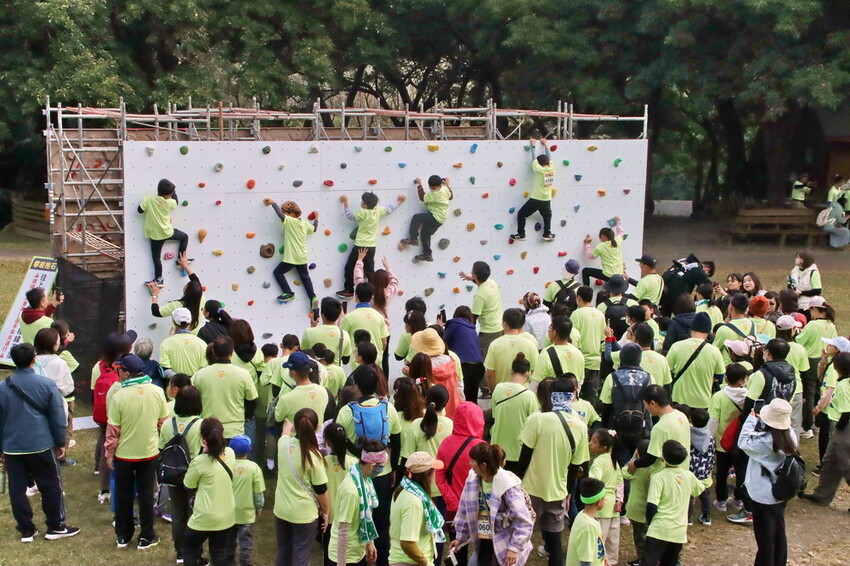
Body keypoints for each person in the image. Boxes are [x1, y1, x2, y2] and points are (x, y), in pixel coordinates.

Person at [0, 343, 79, 542]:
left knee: (16, 489)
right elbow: (57, 416)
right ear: (33, 359)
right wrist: (61, 442)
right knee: (51, 484)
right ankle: (56, 526)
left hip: (12, 446)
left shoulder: (3, 387)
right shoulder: (46, 384)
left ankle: (26, 529)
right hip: (41, 444)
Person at [516, 377, 590, 566]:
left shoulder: (537, 419)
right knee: (555, 540)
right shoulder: (581, 427)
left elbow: (524, 457)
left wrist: (516, 482)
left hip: (531, 489)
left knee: (519, 538)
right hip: (558, 491)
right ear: (572, 394)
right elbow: (575, 467)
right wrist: (568, 492)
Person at [336, 366, 402, 566]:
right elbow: (396, 442)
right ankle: (382, 560)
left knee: (356, 522)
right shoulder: (388, 408)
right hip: (382, 472)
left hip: (356, 474)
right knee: (381, 523)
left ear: (355, 386)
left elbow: (340, 442)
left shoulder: (346, 411)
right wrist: (393, 468)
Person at [105, 353, 169, 549]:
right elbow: (163, 423)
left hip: (124, 454)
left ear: (126, 373)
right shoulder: (157, 392)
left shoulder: (119, 396)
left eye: (119, 370)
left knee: (124, 495)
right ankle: (146, 536)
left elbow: (113, 431)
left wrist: (109, 454)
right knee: (146, 494)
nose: (118, 373)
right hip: (149, 452)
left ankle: (123, 535)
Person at [451, 442, 534, 566]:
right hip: (484, 538)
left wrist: (514, 548)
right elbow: (464, 509)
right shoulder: (472, 479)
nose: (470, 464)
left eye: (473, 461)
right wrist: (460, 537)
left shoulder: (508, 486)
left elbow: (524, 521)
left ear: (483, 465)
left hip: (505, 541)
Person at [737, 398, 798, 566]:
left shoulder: (764, 442)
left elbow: (742, 442)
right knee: (778, 532)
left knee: (765, 539)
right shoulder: (790, 436)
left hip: (763, 494)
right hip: (781, 490)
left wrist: (752, 419)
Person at [275, 408, 330, 566]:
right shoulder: (314, 456)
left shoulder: (283, 444)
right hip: (304, 514)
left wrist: (288, 426)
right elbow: (321, 490)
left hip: (282, 510)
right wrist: (325, 512)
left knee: (283, 553)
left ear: (296, 427)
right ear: (316, 427)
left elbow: (284, 434)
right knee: (301, 556)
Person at [181, 417, 238, 566]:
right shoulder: (231, 454)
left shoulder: (199, 462)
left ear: (202, 438)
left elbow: (188, 484)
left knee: (188, 548)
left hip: (203, 517)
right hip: (226, 517)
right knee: (219, 554)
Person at [434, 401, 485, 565]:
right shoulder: (482, 447)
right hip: (479, 510)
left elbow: (439, 475)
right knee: (484, 548)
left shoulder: (446, 443)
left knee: (457, 547)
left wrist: (451, 500)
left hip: (453, 510)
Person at [644, 440, 709, 566]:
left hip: (659, 529)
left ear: (662, 458)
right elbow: (700, 489)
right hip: (678, 532)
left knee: (648, 562)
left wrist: (650, 522)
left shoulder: (658, 477)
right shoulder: (689, 476)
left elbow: (652, 506)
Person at [157, 384, 203, 563]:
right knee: (194, 514)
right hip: (194, 474)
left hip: (173, 475)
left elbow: (162, 448)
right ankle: (194, 552)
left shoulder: (168, 423)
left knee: (178, 514)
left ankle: (180, 552)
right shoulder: (200, 424)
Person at [328, 440, 388, 566]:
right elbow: (343, 530)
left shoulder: (364, 479)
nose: (382, 470)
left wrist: (370, 543)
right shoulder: (351, 491)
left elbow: (367, 514)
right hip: (346, 557)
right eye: (382, 466)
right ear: (372, 465)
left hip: (357, 552)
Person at [802, 352, 850, 506]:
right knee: (830, 462)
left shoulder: (843, 386)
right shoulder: (845, 382)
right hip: (841, 426)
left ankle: (822, 495)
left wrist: (838, 430)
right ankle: (822, 495)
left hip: (843, 428)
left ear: (837, 367)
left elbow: (846, 412)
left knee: (845, 464)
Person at [337, 191, 406, 299]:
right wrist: (399, 201)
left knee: (350, 267)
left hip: (360, 245)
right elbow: (389, 209)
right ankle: (375, 290)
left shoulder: (362, 213)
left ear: (365, 204)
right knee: (369, 270)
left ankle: (349, 290)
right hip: (371, 246)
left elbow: (349, 216)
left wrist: (345, 202)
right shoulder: (378, 211)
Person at [192, 336, 259, 439]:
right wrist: (247, 417)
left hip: (209, 429)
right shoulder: (243, 374)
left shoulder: (199, 375)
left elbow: (192, 400)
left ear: (213, 351)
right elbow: (252, 401)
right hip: (235, 430)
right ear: (232, 352)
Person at [388, 451, 445, 566]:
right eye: (433, 470)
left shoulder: (403, 489)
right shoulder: (414, 502)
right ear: (428, 474)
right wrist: (424, 562)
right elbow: (407, 543)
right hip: (410, 562)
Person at [793, 296, 837, 437]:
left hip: (811, 361)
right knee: (820, 390)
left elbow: (800, 340)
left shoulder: (812, 325)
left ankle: (807, 426)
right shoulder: (831, 325)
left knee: (810, 393)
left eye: (811, 310)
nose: (810, 313)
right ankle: (817, 423)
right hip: (825, 360)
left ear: (816, 309)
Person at [263, 198, 319, 305]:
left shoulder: (290, 221)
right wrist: (316, 218)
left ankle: (288, 293)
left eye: (286, 213)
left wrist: (273, 203)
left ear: (291, 214)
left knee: (277, 272)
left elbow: (280, 215)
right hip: (302, 257)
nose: (285, 215)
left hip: (292, 258)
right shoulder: (304, 222)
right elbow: (314, 229)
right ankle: (313, 298)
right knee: (305, 278)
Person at [708, 364, 748, 512]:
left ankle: (721, 500)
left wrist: (709, 440)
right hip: (741, 441)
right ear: (744, 379)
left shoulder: (719, 396)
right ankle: (739, 498)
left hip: (723, 441)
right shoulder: (748, 396)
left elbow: (713, 421)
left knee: (722, 472)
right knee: (741, 470)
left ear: (725, 377)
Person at [666, 312, 725, 410]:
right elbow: (720, 375)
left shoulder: (676, 346)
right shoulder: (715, 351)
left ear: (692, 328)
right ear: (708, 332)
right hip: (703, 402)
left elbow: (667, 371)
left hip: (679, 400)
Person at [354, 251, 400, 377]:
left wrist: (359, 261)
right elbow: (394, 281)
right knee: (384, 358)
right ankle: (383, 384)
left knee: (364, 356)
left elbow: (358, 279)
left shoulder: (369, 293)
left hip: (368, 328)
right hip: (385, 329)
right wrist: (388, 267)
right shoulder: (387, 293)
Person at [627, 386, 690, 476]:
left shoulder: (661, 427)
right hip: (683, 472)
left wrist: (634, 464)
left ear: (652, 403)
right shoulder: (681, 416)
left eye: (645, 404)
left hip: (666, 478)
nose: (646, 408)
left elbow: (650, 458)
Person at [138, 178, 188, 286]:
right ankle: (180, 260)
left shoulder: (149, 199)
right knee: (185, 237)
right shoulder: (169, 202)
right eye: (171, 193)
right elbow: (176, 202)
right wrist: (174, 193)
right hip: (167, 232)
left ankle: (159, 278)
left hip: (154, 235)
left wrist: (146, 202)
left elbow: (140, 210)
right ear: (168, 194)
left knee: (156, 257)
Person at [587, 429, 623, 565]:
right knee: (613, 538)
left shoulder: (598, 462)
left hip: (602, 505)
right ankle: (611, 561)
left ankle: (598, 561)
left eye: (594, 442)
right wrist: (619, 499)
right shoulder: (613, 460)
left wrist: (593, 502)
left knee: (599, 536)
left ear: (604, 447)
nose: (590, 443)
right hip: (613, 505)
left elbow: (594, 483)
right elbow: (620, 481)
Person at [510, 137, 556, 242]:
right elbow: (550, 158)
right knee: (547, 216)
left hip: (536, 198)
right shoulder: (552, 168)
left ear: (539, 164)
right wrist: (545, 145)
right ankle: (547, 233)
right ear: (548, 162)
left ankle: (521, 233)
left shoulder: (539, 169)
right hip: (546, 199)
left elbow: (533, 159)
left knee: (522, 214)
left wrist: (533, 145)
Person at [399, 174, 453, 262]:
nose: (432, 189)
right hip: (441, 219)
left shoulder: (435, 194)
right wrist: (447, 185)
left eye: (432, 188)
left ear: (429, 186)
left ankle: (413, 238)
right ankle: (427, 254)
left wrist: (419, 184)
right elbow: (451, 196)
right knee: (425, 235)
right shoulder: (444, 188)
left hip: (434, 216)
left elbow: (422, 197)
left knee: (416, 218)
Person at [229, 435, 265, 566]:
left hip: (228, 512)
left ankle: (229, 561)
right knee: (246, 540)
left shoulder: (227, 465)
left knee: (229, 539)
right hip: (246, 512)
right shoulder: (254, 468)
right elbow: (258, 492)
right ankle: (245, 561)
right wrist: (259, 507)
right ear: (249, 449)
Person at [411, 329, 462, 418]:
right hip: (451, 405)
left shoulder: (424, 364)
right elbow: (459, 384)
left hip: (431, 411)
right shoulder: (450, 360)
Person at [147, 253, 204, 334]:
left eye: (187, 285)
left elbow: (156, 312)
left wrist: (155, 294)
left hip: (177, 337)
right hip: (194, 337)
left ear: (186, 291)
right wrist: (185, 266)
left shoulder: (177, 305)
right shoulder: (201, 298)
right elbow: (196, 281)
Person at [484, 309, 539, 391]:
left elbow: (489, 374)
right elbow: (535, 373)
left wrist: (493, 391)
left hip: (502, 392)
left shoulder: (494, 344)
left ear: (505, 324)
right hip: (524, 392)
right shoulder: (530, 344)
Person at [460, 261, 504, 360]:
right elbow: (481, 282)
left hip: (488, 333)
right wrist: (470, 278)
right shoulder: (492, 283)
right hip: (500, 329)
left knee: (483, 360)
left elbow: (473, 319)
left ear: (474, 274)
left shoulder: (480, 295)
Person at [571, 285, 607, 404]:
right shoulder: (600, 314)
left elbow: (573, 338)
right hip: (596, 361)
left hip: (580, 361)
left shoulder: (576, 314)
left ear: (578, 298)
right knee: (591, 398)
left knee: (576, 396)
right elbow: (602, 338)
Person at [444, 306, 485, 405]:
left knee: (462, 399)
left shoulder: (454, 324)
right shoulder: (472, 328)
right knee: (472, 400)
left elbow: (442, 342)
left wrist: (440, 326)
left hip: (464, 365)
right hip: (478, 366)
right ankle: (475, 419)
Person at [531, 316, 584, 392]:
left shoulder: (546, 353)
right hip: (572, 399)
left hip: (553, 400)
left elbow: (536, 383)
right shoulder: (578, 353)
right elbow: (580, 382)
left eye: (550, 328)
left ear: (554, 333)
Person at [341, 283, 390, 363]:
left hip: (358, 361)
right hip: (376, 360)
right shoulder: (379, 316)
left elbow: (342, 339)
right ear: (371, 297)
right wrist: (379, 355)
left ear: (356, 297)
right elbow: (384, 342)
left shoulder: (349, 317)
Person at [620, 440, 651, 566]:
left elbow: (624, 471)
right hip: (651, 509)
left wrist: (634, 458)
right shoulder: (654, 469)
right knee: (650, 535)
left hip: (637, 510)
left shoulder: (636, 470)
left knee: (640, 538)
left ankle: (642, 560)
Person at [565, 477, 607, 566]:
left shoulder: (582, 515)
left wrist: (604, 560)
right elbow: (585, 561)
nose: (605, 500)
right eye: (604, 497)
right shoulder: (588, 527)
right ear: (599, 501)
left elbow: (597, 545)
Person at [160, 308, 208, 376]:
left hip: (175, 384)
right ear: (190, 321)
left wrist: (180, 380)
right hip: (195, 385)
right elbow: (204, 369)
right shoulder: (202, 343)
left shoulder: (165, 343)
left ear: (174, 322)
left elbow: (166, 370)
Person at [687, 408, 714, 526]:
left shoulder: (688, 435)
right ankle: (706, 516)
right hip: (704, 471)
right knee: (705, 495)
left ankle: (687, 518)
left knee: (689, 496)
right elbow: (712, 454)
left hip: (691, 471)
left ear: (691, 420)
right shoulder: (710, 438)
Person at [713, 294, 757, 364]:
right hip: (748, 366)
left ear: (731, 307)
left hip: (729, 368)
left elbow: (714, 351)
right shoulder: (752, 324)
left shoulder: (724, 329)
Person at [582, 216, 624, 286]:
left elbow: (590, 256)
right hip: (619, 275)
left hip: (608, 276)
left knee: (585, 271)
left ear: (603, 236)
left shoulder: (601, 246)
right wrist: (618, 222)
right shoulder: (617, 241)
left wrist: (587, 244)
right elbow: (621, 233)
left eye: (600, 237)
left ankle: (586, 292)